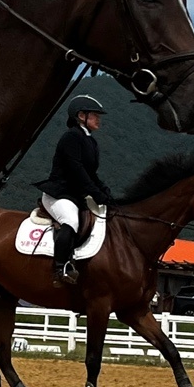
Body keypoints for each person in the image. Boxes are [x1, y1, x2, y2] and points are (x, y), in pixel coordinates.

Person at [35, 94, 113, 285]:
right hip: (59, 193)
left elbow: (91, 173)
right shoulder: (71, 137)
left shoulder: (90, 141)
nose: (98, 119)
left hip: (76, 195)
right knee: (71, 222)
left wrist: (105, 192)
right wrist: (96, 193)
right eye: (94, 115)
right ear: (81, 116)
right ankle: (60, 269)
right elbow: (76, 170)